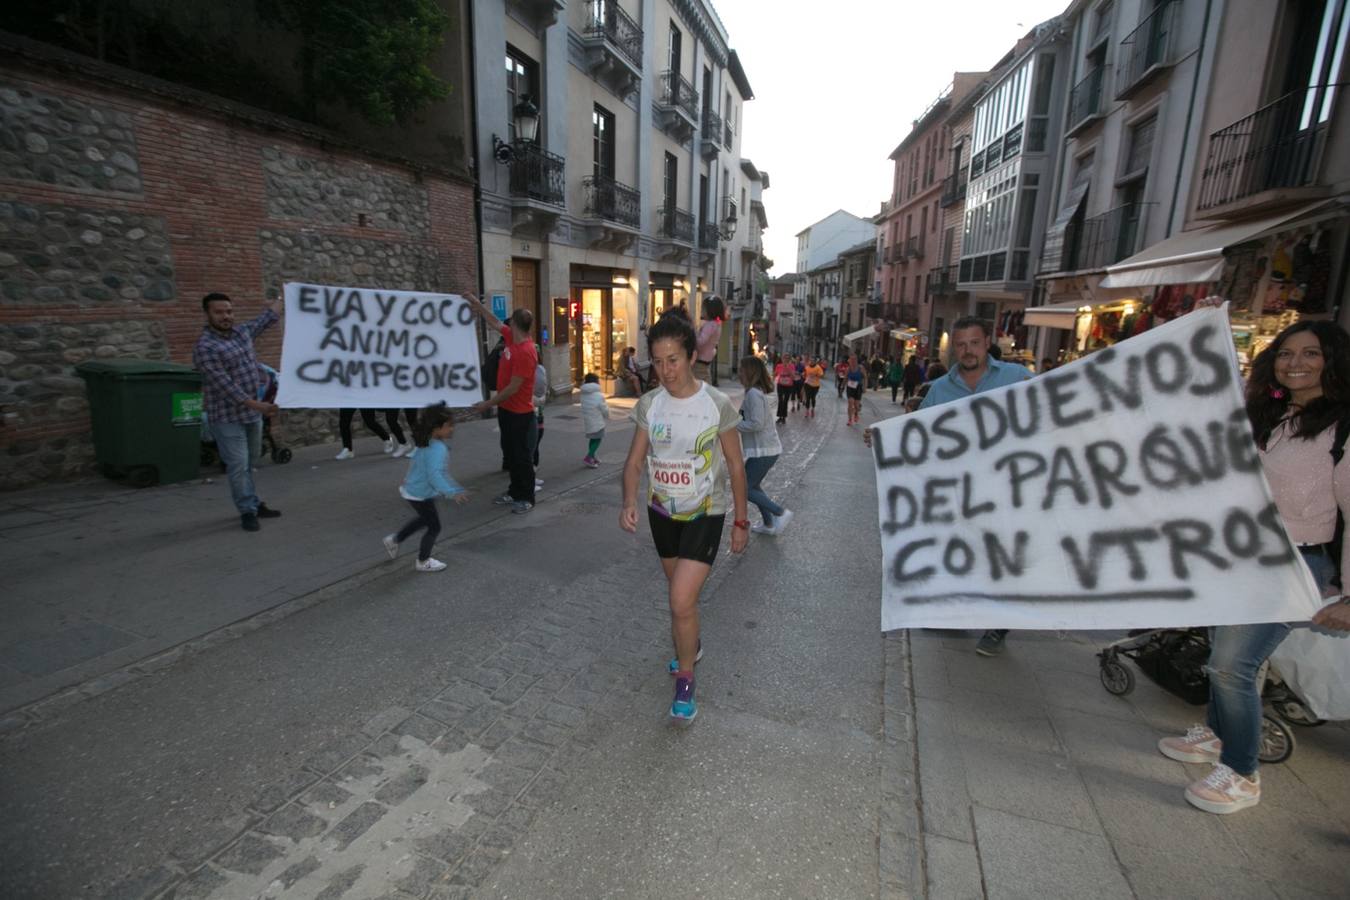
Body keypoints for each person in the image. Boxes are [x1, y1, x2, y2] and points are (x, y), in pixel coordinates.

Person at [1157, 320, 1350, 814]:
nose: (1296, 363)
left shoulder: (1343, 427)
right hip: (1244, 555)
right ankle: (1218, 736)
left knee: (1231, 666)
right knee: (1224, 652)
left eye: (1311, 354)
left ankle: (1242, 773)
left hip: (1296, 562)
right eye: (1286, 354)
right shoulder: (1275, 414)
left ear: (1334, 360)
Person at [621, 313, 748, 722]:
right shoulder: (650, 404)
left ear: (692, 356)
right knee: (682, 601)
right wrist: (628, 501)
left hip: (705, 512)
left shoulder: (716, 405)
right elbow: (635, 462)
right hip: (662, 512)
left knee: (679, 600)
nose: (664, 371)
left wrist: (741, 521)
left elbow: (735, 464)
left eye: (672, 360)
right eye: (657, 362)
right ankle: (690, 642)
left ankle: (686, 680)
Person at [918, 317, 1033, 657]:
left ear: (987, 343)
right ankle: (960, 611)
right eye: (961, 344)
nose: (968, 351)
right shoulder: (941, 388)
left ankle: (998, 626)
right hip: (964, 491)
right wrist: (882, 437)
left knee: (1001, 559)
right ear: (955, 347)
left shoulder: (1017, 377)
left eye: (974, 343)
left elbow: (1049, 407)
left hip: (1009, 489)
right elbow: (920, 427)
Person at [192, 291, 282, 532]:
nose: (225, 316)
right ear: (207, 314)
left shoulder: (241, 333)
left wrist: (283, 298)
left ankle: (252, 500)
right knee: (238, 465)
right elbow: (225, 386)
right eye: (219, 312)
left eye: (229, 311)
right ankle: (247, 510)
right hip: (226, 418)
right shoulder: (205, 347)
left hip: (252, 415)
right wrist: (258, 404)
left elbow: (265, 320)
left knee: (251, 461)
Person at [464, 295, 538, 515]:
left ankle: (526, 497)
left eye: (509, 322)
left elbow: (513, 388)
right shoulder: (510, 337)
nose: (505, 324)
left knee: (522, 457)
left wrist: (487, 404)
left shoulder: (525, 351)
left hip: (520, 414)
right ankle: (514, 492)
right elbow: (494, 321)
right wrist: (477, 305)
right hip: (507, 411)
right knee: (511, 455)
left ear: (514, 323)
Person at [382, 404, 469, 572]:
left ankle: (394, 540)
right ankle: (423, 561)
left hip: (414, 490)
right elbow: (435, 475)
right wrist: (452, 492)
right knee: (434, 526)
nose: (452, 429)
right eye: (449, 425)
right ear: (437, 428)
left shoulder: (426, 440)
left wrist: (453, 488)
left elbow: (421, 465)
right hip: (420, 493)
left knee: (424, 519)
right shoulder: (437, 448)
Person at [737, 355, 791, 535]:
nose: (739, 372)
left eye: (742, 369)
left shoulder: (753, 393)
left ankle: (779, 513)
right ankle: (769, 524)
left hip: (765, 450)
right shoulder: (753, 392)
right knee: (754, 486)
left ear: (749, 371)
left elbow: (757, 423)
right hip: (763, 449)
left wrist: (733, 424)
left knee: (744, 487)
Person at [580, 372, 609, 468]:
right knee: (598, 439)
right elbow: (603, 408)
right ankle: (589, 457)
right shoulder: (598, 395)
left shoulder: (583, 393)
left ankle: (593, 456)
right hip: (597, 420)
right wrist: (607, 415)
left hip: (588, 419)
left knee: (593, 438)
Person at [694, 296, 724, 384]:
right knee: (705, 379)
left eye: (703, 309)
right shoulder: (717, 323)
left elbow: (700, 341)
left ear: (710, 311)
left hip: (700, 359)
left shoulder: (710, 325)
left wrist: (693, 334)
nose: (701, 311)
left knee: (699, 381)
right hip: (706, 359)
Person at [532, 355, 547, 487]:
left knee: (533, 446)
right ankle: (530, 478)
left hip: (535, 413)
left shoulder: (538, 369)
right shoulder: (541, 369)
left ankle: (531, 476)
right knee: (532, 447)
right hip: (533, 413)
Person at [773, 354, 796, 424]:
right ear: (782, 359)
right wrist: (772, 379)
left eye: (787, 358)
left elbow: (793, 377)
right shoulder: (779, 366)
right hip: (780, 385)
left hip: (788, 386)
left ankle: (784, 418)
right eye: (784, 358)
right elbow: (775, 374)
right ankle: (779, 417)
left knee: (785, 401)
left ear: (789, 360)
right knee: (780, 400)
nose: (786, 360)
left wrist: (788, 368)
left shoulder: (792, 366)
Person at [845, 354, 865, 426]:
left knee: (856, 405)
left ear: (856, 360)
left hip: (858, 387)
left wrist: (864, 387)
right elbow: (845, 378)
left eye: (854, 359)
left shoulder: (861, 368)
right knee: (850, 403)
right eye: (851, 359)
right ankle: (850, 420)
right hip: (850, 387)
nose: (852, 361)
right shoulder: (848, 369)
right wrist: (842, 386)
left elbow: (865, 377)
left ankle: (856, 414)